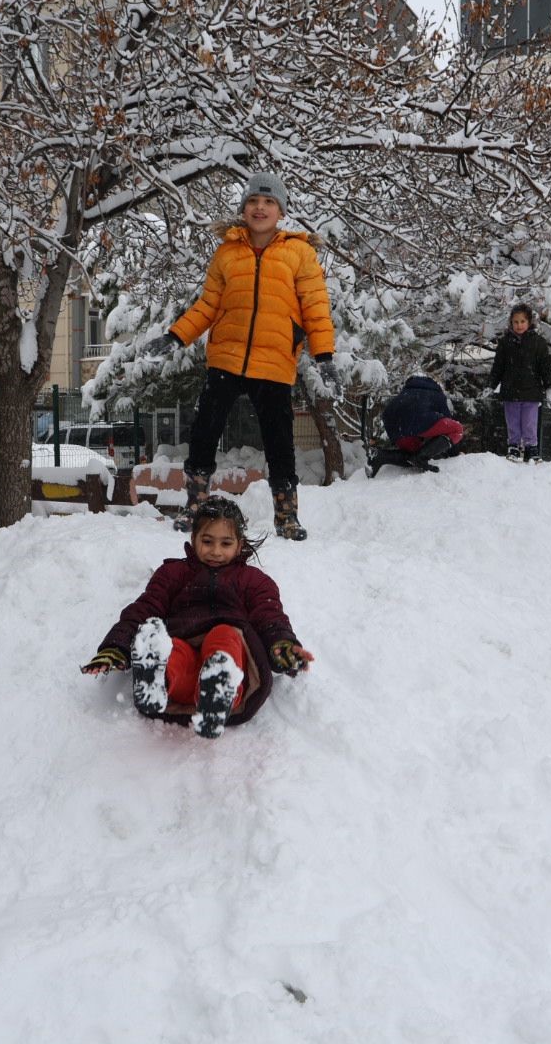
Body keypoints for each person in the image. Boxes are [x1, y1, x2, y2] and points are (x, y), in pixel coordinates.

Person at [140, 172, 338, 540]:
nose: (260, 208)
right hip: (227, 359)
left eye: (268, 202)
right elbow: (208, 305)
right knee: (204, 432)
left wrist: (324, 356)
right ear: (244, 208)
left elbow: (316, 307)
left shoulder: (299, 253)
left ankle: (286, 514)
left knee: (279, 441)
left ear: (280, 211)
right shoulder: (228, 252)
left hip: (276, 362)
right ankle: (195, 505)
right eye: (253, 201)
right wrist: (175, 336)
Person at [81, 497, 313, 739]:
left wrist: (282, 645)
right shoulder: (173, 574)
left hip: (229, 643)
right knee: (174, 651)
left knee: (224, 635)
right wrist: (117, 645)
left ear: (239, 544)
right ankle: (158, 679)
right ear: (193, 540)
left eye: (225, 543)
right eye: (207, 541)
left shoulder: (254, 581)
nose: (215, 551)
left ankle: (221, 687)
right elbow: (147, 607)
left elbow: (269, 615)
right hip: (185, 639)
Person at [488, 302, 551, 461]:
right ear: (511, 323)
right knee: (513, 422)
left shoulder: (538, 342)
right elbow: (498, 367)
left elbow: (545, 367)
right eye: (516, 322)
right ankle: (513, 447)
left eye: (522, 321)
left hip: (531, 391)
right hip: (510, 391)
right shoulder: (505, 343)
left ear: (529, 322)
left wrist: (550, 388)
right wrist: (490, 385)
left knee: (529, 423)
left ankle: (531, 447)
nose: (519, 325)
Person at [367, 375, 465, 477]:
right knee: (457, 429)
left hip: (393, 423)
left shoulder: (406, 392)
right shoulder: (436, 392)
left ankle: (381, 456)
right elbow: (447, 419)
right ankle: (421, 458)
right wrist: (454, 454)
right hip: (416, 419)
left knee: (412, 456)